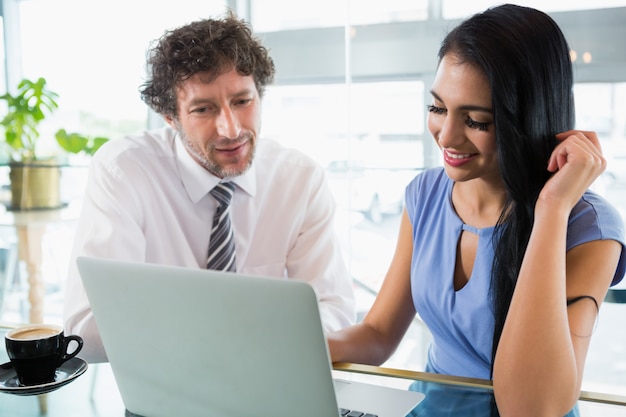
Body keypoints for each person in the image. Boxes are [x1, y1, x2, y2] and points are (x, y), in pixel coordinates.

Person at [328, 4, 625, 417]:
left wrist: (552, 209)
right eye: (437, 108)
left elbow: (531, 408)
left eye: (477, 121)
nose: (446, 135)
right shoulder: (426, 194)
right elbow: (377, 334)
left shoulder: (587, 227)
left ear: (526, 119)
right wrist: (290, 350)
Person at [64, 12, 355, 363]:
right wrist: (236, 335)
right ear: (171, 117)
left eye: (242, 102)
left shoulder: (300, 179)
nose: (231, 129)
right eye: (203, 109)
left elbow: (334, 310)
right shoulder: (125, 171)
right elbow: (87, 331)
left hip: (268, 375)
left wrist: (250, 344)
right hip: (164, 385)